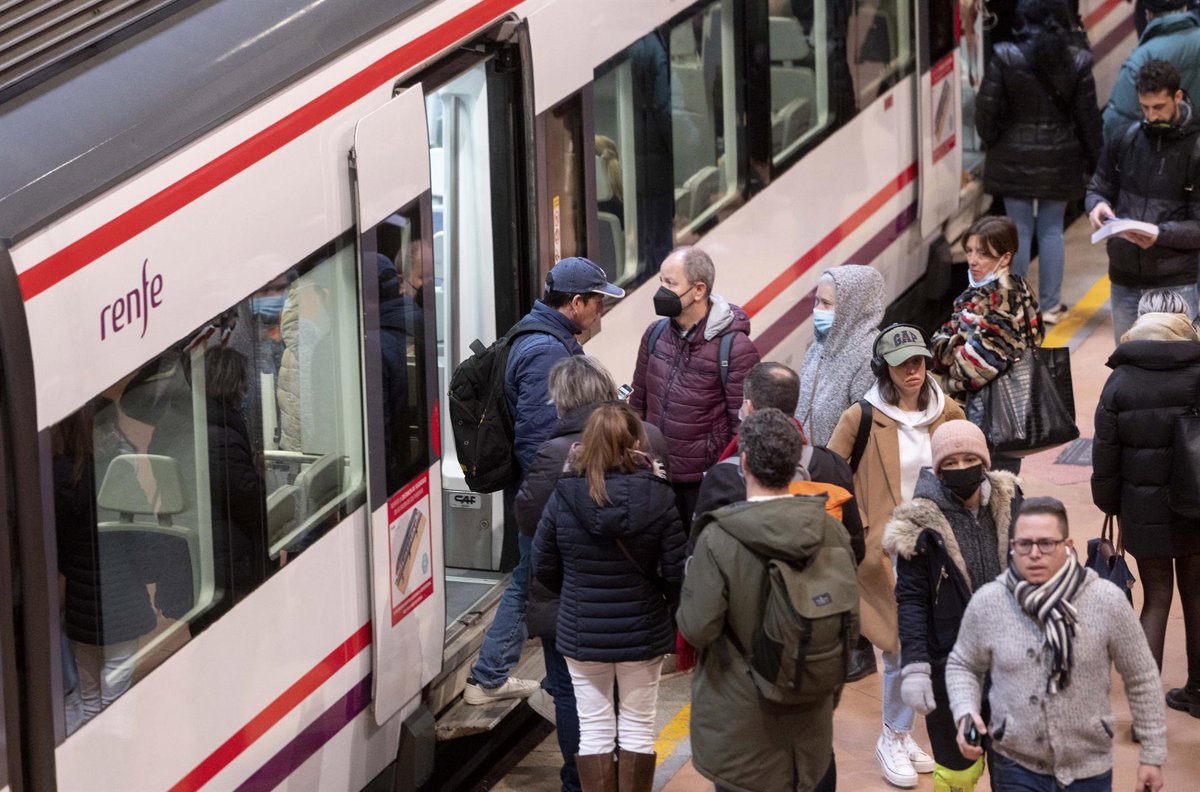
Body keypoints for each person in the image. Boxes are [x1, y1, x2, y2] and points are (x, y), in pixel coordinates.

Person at [465, 256, 626, 706]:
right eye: (597, 301)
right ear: (575, 303)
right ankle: (491, 678)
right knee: (533, 579)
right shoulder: (546, 352)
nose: (600, 310)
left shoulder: (541, 336)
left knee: (532, 576)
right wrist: (564, 501)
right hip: (547, 494)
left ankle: (495, 676)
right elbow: (540, 441)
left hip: (540, 492)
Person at [677, 408, 853, 792]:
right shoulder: (830, 531)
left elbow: (697, 627)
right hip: (810, 727)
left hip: (743, 730)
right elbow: (847, 625)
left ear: (743, 464)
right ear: (796, 465)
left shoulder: (718, 539)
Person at [515, 356, 668, 792]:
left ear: (563, 399)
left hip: (576, 612)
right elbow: (672, 543)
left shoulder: (555, 456)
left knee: (580, 707)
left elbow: (532, 529)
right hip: (640, 611)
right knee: (637, 720)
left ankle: (576, 783)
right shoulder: (650, 438)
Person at [946, 498, 1167, 792]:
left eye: (1046, 544)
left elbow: (1142, 676)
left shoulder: (1105, 601)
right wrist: (965, 711)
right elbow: (963, 664)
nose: (1034, 554)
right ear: (1012, 546)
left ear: (1067, 545)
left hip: (1089, 767)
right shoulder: (990, 602)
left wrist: (1152, 753)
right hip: (1015, 764)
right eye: (1025, 544)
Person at [828, 323, 963, 788]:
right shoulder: (861, 416)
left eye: (919, 361)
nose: (913, 370)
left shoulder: (947, 411)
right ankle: (892, 736)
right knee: (898, 646)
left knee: (925, 644)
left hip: (937, 547)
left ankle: (901, 734)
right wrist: (862, 527)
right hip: (886, 551)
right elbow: (831, 476)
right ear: (883, 368)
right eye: (903, 364)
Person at [882, 421, 1022, 792]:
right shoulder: (918, 524)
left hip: (1010, 665)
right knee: (958, 770)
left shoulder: (1011, 504)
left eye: (969, 459)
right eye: (951, 462)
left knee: (1013, 770)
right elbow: (911, 599)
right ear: (939, 469)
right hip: (951, 666)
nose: (961, 468)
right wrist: (915, 665)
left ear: (984, 462)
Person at [1092, 307, 1200, 719]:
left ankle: (1146, 713)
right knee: (1197, 594)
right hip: (1196, 505)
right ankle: (1198, 692)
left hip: (1141, 509)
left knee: (1156, 598)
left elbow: (1105, 455)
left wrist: (1108, 503)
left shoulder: (1120, 380)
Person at [974, 0, 1103, 325]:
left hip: (1013, 155)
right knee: (1051, 230)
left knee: (1016, 231)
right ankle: (1050, 306)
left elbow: (986, 111)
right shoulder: (1077, 60)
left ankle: (1016, 306)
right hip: (1060, 156)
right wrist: (1096, 160)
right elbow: (1088, 120)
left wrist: (995, 141)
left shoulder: (1005, 56)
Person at [629, 246, 760, 532]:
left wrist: (724, 478)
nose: (661, 291)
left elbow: (742, 428)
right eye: (661, 281)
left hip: (702, 486)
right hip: (654, 475)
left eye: (671, 283)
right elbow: (638, 404)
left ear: (698, 290)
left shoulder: (735, 349)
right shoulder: (654, 335)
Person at [695, 360, 865, 561]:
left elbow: (701, 555)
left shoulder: (723, 478)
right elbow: (854, 548)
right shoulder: (833, 467)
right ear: (794, 405)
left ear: (749, 408)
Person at [1088, 59, 1200, 342]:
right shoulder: (1125, 139)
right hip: (1123, 279)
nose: (1151, 115)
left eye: (1159, 107)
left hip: (1174, 284)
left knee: (1175, 365)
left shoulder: (1196, 150)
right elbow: (1098, 186)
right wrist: (1096, 205)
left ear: (1177, 96)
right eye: (1145, 107)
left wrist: (1159, 234)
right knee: (1127, 361)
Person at [931, 215, 1043, 473]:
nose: (972, 260)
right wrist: (957, 348)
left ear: (1005, 258)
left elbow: (971, 369)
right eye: (969, 251)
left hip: (993, 419)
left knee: (995, 488)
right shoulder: (989, 292)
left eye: (983, 254)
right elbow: (939, 341)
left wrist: (949, 361)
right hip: (995, 417)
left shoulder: (1003, 299)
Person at [794, 265, 886, 447]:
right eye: (817, 301)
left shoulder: (870, 357)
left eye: (826, 303)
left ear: (851, 307)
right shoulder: (819, 346)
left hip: (832, 463)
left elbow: (862, 432)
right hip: (805, 458)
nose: (817, 309)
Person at [1102, 0, 1200, 141]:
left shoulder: (1140, 59)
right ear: (1185, 7)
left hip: (1162, 149)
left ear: (1147, 14)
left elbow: (1115, 125)